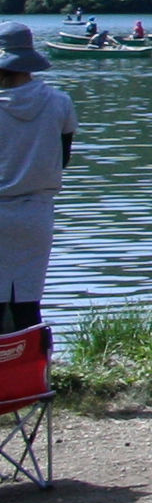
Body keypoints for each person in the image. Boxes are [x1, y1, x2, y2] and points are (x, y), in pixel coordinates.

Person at [0, 27, 77, 333]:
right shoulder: (60, 102)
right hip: (36, 213)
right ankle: (32, 373)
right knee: (28, 305)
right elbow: (63, 158)